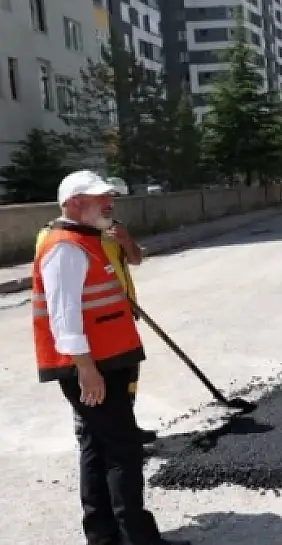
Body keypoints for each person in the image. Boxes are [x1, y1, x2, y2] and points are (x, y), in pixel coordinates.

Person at [31, 170, 187, 545]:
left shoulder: (91, 239)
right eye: (99, 198)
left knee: (97, 446)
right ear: (72, 203)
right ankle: (137, 538)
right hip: (93, 366)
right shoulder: (65, 247)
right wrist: (85, 369)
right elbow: (63, 316)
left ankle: (104, 536)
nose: (109, 203)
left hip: (110, 358)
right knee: (123, 450)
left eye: (109, 197)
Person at [36, 210, 157, 445]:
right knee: (90, 392)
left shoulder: (112, 229)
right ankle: (89, 435)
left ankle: (127, 428)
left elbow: (135, 259)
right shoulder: (59, 238)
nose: (108, 206)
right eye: (100, 200)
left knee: (126, 383)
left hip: (120, 318)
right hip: (86, 329)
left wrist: (125, 240)